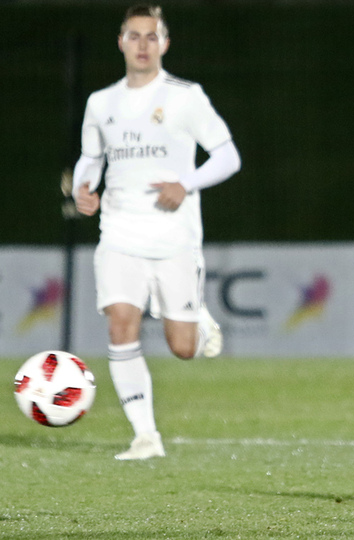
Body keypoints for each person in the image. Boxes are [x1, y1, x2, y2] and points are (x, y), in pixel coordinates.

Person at [72, 4, 240, 460]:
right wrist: (85, 188)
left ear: (164, 43)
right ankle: (146, 436)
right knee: (121, 323)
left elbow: (227, 157)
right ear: (121, 42)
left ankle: (199, 321)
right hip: (119, 233)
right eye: (134, 36)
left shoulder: (186, 97)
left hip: (174, 239)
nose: (143, 45)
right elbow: (91, 159)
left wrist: (185, 184)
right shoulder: (100, 103)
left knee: (183, 348)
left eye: (152, 36)